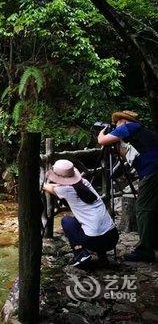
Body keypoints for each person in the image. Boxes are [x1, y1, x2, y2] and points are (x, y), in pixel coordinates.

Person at [98, 110, 158, 262]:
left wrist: (101, 134)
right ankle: (152, 242)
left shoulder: (130, 126)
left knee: (143, 208)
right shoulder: (139, 132)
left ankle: (145, 250)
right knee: (152, 207)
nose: (116, 125)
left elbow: (102, 141)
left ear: (124, 121)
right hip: (152, 170)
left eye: (117, 123)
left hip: (152, 171)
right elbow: (126, 154)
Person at [43, 159, 119, 267]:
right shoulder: (85, 183)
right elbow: (64, 186)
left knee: (67, 221)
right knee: (92, 224)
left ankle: (81, 254)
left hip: (94, 241)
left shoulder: (65, 191)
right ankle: (103, 257)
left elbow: (47, 187)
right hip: (112, 237)